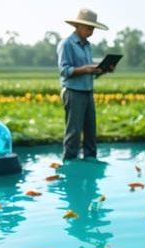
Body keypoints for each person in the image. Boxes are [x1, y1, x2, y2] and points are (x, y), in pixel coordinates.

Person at [57, 8, 109, 161]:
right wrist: (85, 69)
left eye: (92, 28)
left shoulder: (88, 46)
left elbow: (90, 71)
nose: (91, 31)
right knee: (73, 132)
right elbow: (64, 70)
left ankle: (90, 161)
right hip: (73, 92)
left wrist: (102, 70)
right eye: (88, 27)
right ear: (78, 26)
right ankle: (69, 163)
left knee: (90, 131)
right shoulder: (67, 44)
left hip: (87, 91)